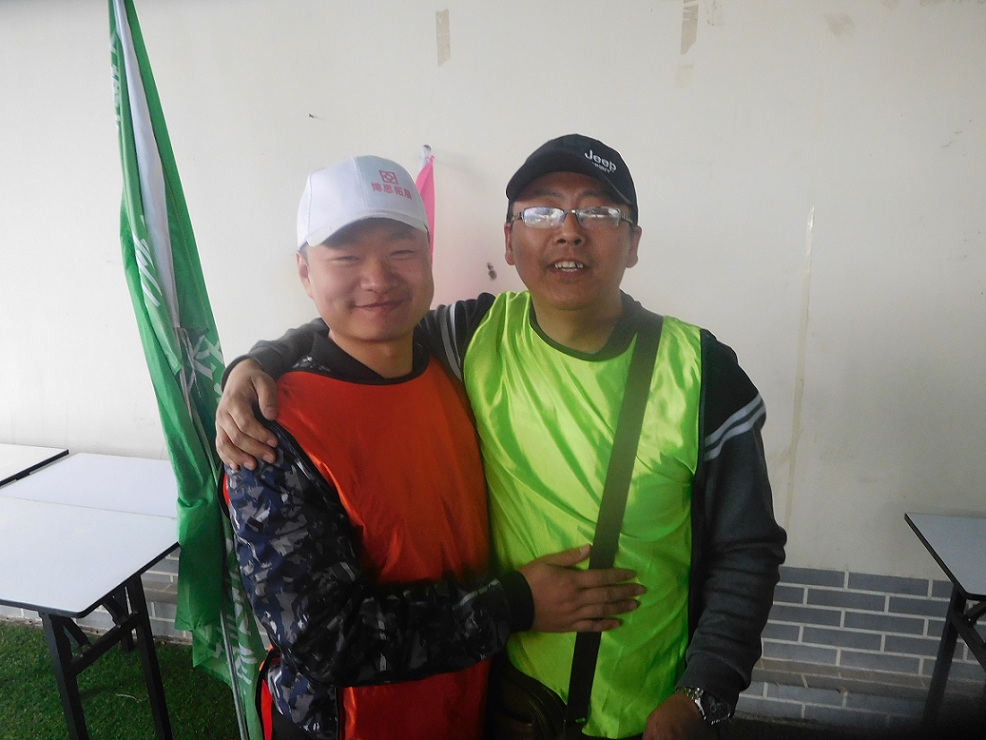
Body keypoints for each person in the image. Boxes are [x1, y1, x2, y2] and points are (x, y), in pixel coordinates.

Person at [219, 135, 787, 740]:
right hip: (502, 705)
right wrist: (257, 363)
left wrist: (702, 697)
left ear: (634, 241)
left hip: (644, 712)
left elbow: (746, 550)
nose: (569, 231)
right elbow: (362, 324)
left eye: (598, 211)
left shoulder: (701, 371)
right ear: (510, 241)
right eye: (542, 211)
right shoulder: (473, 337)